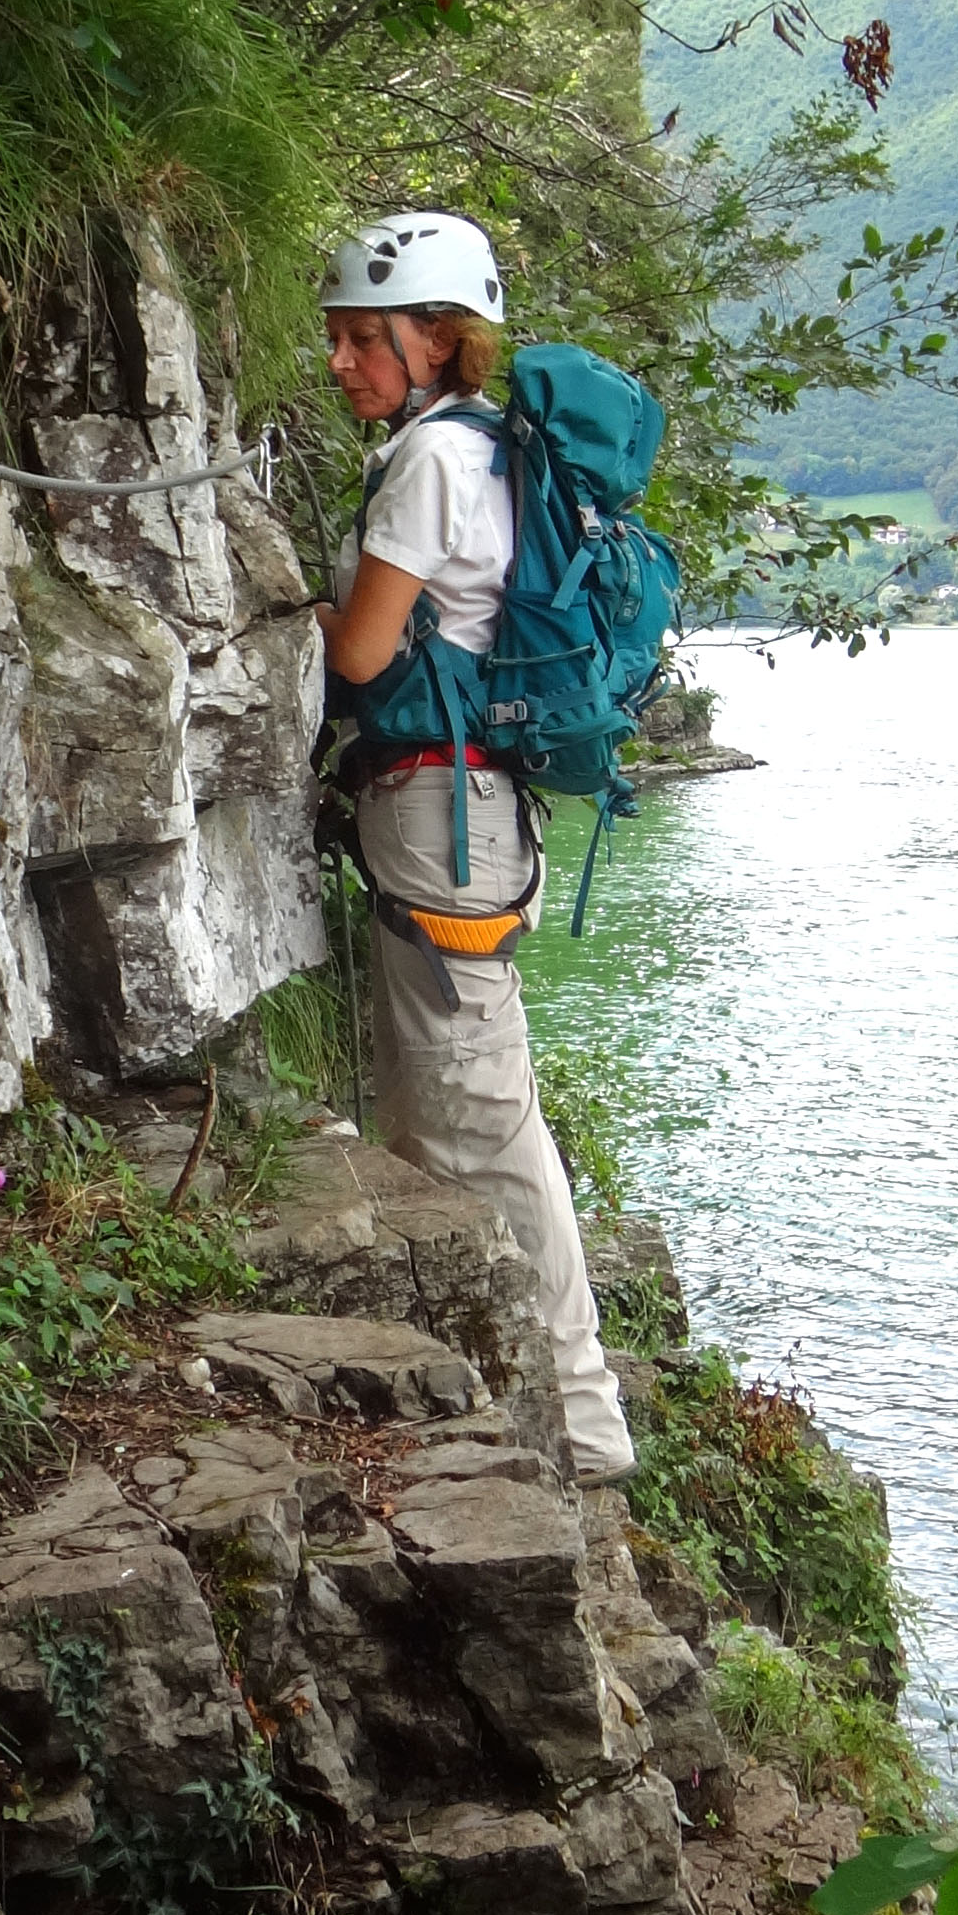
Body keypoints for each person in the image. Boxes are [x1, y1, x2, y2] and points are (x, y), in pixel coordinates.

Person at [316, 212, 639, 1483]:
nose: (339, 360)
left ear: (437, 341)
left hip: (437, 816)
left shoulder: (430, 467)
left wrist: (294, 597)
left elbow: (359, 654)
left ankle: (578, 1415)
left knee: (483, 1116)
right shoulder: (492, 454)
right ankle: (480, 1389)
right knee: (445, 1107)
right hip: (474, 811)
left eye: (361, 339)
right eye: (336, 338)